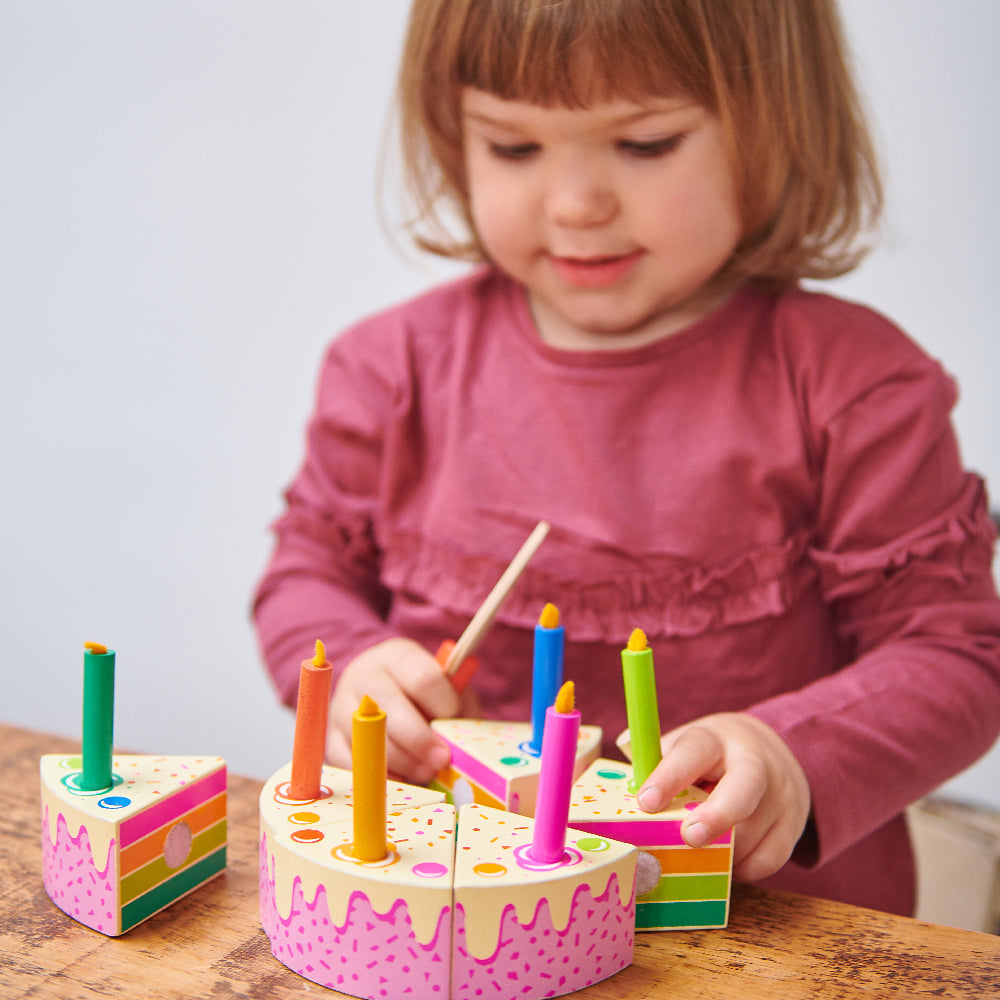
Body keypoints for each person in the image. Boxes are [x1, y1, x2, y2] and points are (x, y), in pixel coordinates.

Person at [253, 0, 1000, 916]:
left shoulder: (857, 387)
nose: (575, 204)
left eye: (644, 144)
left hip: (765, 938)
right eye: (512, 148)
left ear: (773, 126)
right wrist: (355, 667)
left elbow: (955, 654)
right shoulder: (388, 371)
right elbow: (305, 573)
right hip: (463, 924)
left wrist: (793, 752)